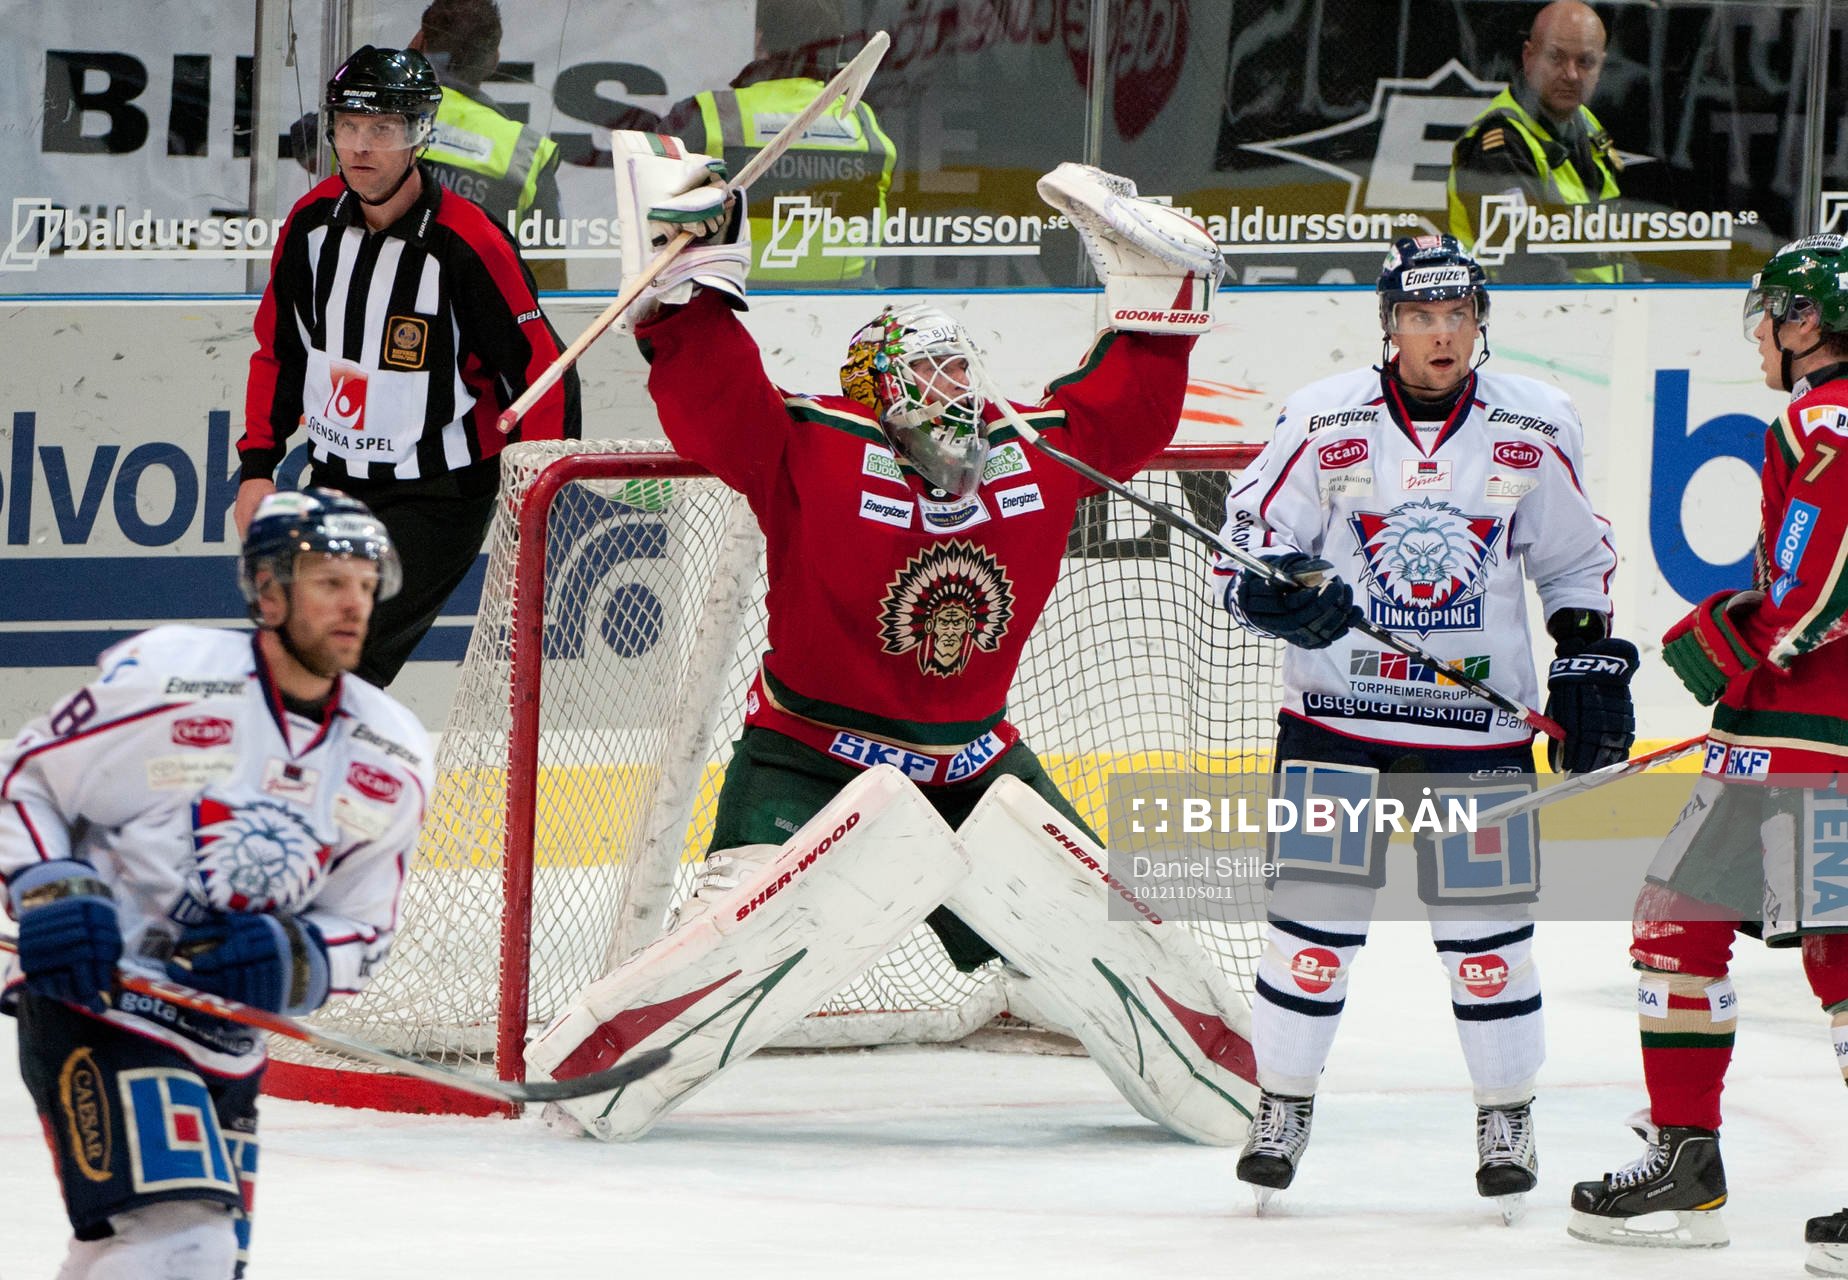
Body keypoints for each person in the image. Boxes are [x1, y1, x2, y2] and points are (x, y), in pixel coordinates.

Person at [524, 141, 1253, 1144]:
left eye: (960, 366)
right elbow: (719, 403)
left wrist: (1157, 303)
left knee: (1084, 939)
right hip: (810, 756)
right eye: (927, 369)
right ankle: (619, 1066)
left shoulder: (1032, 454)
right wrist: (691, 287)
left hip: (975, 764)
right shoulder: (814, 447)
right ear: (874, 388)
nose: (953, 388)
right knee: (731, 936)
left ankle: (1064, 993)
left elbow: (1124, 414)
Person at [1211, 233, 1632, 1218]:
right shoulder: (1323, 417)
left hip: (1475, 738)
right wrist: (1279, 592)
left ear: (1479, 322)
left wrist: (1585, 660)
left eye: (1458, 315)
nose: (1441, 335)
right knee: (1311, 934)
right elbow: (1247, 545)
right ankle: (1282, 1106)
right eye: (1420, 316)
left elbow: (1574, 560)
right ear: (1389, 325)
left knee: (1487, 944)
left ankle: (1506, 1115)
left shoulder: (1536, 421)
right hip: (1335, 724)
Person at [0, 489, 433, 1280]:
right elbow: (24, 781)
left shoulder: (392, 751)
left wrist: (298, 956)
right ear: (268, 590)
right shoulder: (172, 676)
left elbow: (365, 930)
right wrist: (50, 884)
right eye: (330, 581)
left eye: (367, 585)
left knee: (154, 1255)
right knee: (181, 1246)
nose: (354, 604)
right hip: (99, 995)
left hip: (223, 1037)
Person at [1567, 234, 1848, 1274]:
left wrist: (1743, 638)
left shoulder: (1826, 420)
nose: (1760, 338)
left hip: (1810, 734)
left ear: (1806, 323)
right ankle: (1687, 1159)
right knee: (1735, 929)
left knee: (1766, 935)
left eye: (1770, 317)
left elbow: (1818, 581)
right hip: (1785, 733)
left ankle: (1689, 1159)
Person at [239, 44, 580, 689]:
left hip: (437, 496)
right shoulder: (310, 223)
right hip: (334, 478)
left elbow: (541, 374)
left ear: (421, 134)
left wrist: (538, 501)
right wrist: (257, 466)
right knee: (292, 648)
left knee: (335, 660)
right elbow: (280, 351)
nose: (360, 146)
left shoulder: (469, 242)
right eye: (348, 126)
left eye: (382, 128)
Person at [660, 2, 894, 288]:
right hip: (847, 305)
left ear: (759, 38)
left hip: (728, 303)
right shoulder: (864, 122)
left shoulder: (707, 115)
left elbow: (650, 213)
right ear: (837, 46)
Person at [1447, 0, 1630, 283]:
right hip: (1524, 307)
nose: (1571, 74)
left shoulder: (1586, 123)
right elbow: (1528, 267)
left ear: (1600, 66)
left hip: (1607, 304)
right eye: (1556, 57)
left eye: (1585, 62)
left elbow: (1620, 245)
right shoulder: (1499, 145)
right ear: (1529, 57)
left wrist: (1635, 299)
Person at [411, 0, 568, 290]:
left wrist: (405, 64)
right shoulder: (525, 151)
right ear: (493, 62)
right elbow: (549, 282)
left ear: (419, 43)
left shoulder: (373, 122)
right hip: (480, 309)